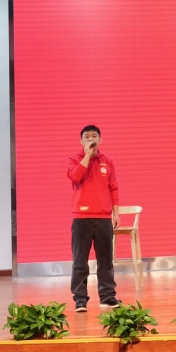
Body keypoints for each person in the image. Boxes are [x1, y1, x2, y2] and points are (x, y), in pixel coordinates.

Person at [66, 125, 121, 313]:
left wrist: (115, 213)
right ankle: (80, 299)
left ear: (100, 140)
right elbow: (75, 177)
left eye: (94, 136)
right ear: (81, 141)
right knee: (80, 261)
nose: (91, 139)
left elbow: (113, 187)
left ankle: (107, 297)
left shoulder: (108, 161)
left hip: (103, 218)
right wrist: (88, 156)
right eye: (87, 137)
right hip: (82, 218)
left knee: (105, 260)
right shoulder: (74, 159)